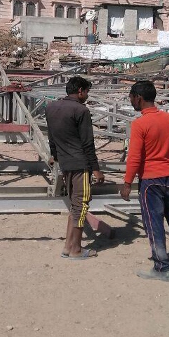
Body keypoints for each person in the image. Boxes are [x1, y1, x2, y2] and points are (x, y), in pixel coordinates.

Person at [119, 80, 169, 281]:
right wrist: (166, 164)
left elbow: (135, 157)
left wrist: (127, 183)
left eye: (131, 97)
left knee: (153, 223)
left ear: (138, 97)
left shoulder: (139, 124)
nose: (131, 101)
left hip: (150, 180)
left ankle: (162, 267)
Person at [45, 76, 105, 260]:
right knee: (81, 206)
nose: (87, 95)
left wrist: (54, 155)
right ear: (80, 90)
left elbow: (52, 137)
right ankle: (76, 250)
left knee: (74, 206)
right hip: (80, 165)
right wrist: (96, 169)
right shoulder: (81, 110)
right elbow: (88, 144)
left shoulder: (51, 108)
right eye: (86, 91)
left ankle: (67, 246)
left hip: (65, 164)